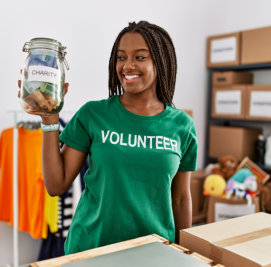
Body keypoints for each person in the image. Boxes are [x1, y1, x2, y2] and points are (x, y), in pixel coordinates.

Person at [19, 20, 197, 254]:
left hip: (153, 253)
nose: (127, 66)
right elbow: (56, 184)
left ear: (161, 62)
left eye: (140, 57)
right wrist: (50, 119)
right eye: (121, 57)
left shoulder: (182, 126)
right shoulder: (94, 114)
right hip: (91, 250)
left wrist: (186, 254)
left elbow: (181, 198)